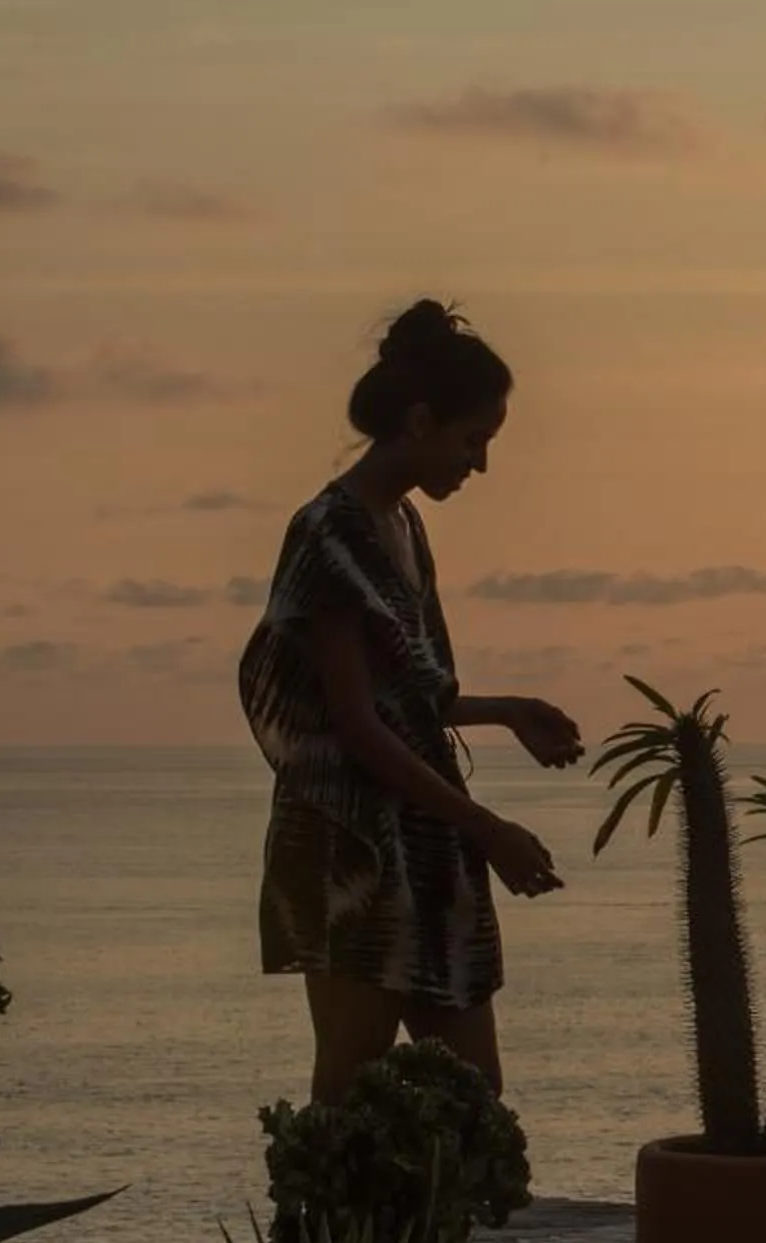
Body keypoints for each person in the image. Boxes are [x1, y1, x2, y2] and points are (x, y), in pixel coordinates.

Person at [239, 299, 583, 1102]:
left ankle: (430, 1233)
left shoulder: (404, 528)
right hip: (348, 847)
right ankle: (326, 1235)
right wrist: (488, 829)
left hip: (424, 838)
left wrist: (503, 710)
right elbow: (355, 728)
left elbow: (403, 702)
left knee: (471, 1097)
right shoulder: (329, 533)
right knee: (351, 1094)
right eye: (474, 442)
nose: (480, 465)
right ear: (420, 422)